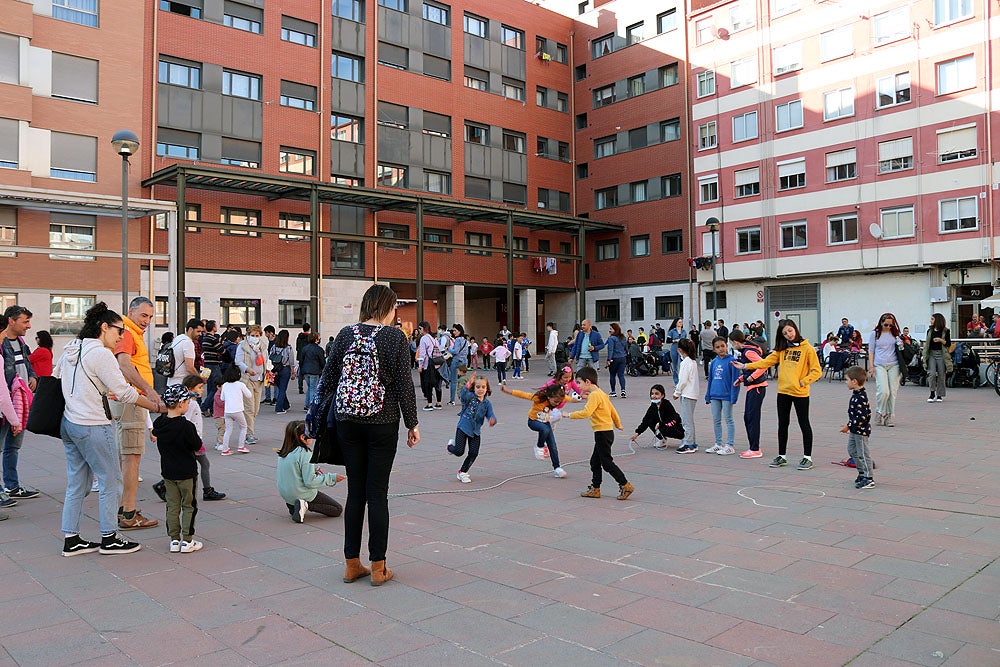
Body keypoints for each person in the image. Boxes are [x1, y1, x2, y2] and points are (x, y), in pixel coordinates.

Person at [317, 284, 419, 586]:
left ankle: (351, 564)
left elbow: (328, 378)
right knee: (377, 494)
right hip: (382, 421)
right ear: (387, 307)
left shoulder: (347, 333)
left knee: (355, 494)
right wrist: (412, 424)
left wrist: (318, 418)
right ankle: (378, 567)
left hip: (347, 420)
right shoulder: (395, 337)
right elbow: (403, 384)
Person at [57, 302, 164, 557]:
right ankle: (110, 537)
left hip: (70, 422)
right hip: (93, 424)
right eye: (118, 331)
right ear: (103, 327)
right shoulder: (100, 353)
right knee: (111, 481)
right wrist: (155, 406)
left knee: (76, 483)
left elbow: (57, 375)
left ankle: (71, 539)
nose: (120, 338)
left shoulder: (72, 347)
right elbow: (125, 391)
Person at [734, 319, 822, 470]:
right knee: (783, 424)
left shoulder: (807, 348)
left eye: (790, 330)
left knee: (804, 423)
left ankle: (807, 457)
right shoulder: (782, 349)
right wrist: (745, 366)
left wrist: (804, 381)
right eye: (785, 333)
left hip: (800, 393)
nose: (788, 334)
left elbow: (817, 371)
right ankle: (782, 456)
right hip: (783, 392)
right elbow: (765, 362)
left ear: (795, 328)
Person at [111, 297, 160, 530]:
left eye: (150, 317)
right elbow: (124, 365)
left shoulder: (130, 332)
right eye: (143, 315)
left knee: (129, 457)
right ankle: (128, 514)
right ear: (131, 311)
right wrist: (149, 391)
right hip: (131, 401)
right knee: (131, 458)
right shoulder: (127, 333)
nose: (147, 321)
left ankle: (124, 507)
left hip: (130, 401)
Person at [152, 384, 203, 554]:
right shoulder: (186, 426)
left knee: (172, 506)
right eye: (188, 401)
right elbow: (197, 444)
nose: (188, 405)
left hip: (168, 471)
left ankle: (174, 540)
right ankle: (187, 540)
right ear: (181, 403)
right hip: (187, 472)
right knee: (189, 505)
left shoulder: (159, 423)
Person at [572, 367, 632, 500]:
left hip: (602, 433)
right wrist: (617, 424)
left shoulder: (594, 395)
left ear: (587, 382)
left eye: (579, 382)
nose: (578, 386)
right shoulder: (601, 393)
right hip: (606, 432)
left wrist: (568, 415)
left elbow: (586, 413)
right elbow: (612, 410)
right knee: (595, 461)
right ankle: (595, 488)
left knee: (606, 463)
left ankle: (625, 484)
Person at [0, 305, 38, 500]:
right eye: (25, 321)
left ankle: (12, 486)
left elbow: (27, 363)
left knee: (13, 446)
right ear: (11, 321)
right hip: (6, 402)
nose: (28, 326)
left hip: (20, 401)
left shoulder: (21, 342)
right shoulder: (1, 342)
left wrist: (32, 376)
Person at [276, 420, 344, 523]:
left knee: (299, 497)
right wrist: (332, 478)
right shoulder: (305, 453)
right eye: (311, 434)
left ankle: (294, 506)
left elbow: (294, 470)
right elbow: (310, 482)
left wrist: (313, 470)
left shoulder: (284, 451)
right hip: (300, 492)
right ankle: (305, 505)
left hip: (286, 494)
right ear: (303, 437)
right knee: (337, 509)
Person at [501, 382, 567, 478]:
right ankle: (539, 446)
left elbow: (568, 398)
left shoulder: (557, 399)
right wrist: (507, 391)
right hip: (533, 421)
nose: (557, 404)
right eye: (555, 401)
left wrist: (580, 396)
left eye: (559, 402)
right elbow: (523, 394)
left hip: (545, 422)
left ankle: (557, 468)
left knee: (552, 446)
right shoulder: (539, 398)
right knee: (545, 429)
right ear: (549, 396)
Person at [446, 373, 497, 483]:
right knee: (459, 452)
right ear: (473, 388)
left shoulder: (487, 404)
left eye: (483, 387)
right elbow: (463, 396)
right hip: (463, 428)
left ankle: (463, 472)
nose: (480, 389)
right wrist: (467, 385)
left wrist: (492, 420)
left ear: (487, 388)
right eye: (477, 387)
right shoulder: (470, 398)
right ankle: (450, 447)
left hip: (475, 431)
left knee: (474, 453)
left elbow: (490, 414)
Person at [729, 330, 768, 459]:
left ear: (735, 342)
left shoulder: (748, 351)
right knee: (749, 417)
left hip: (757, 387)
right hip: (754, 387)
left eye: (731, 343)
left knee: (752, 418)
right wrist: (741, 379)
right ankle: (753, 447)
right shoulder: (747, 350)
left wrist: (751, 377)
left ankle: (755, 448)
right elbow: (751, 366)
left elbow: (762, 366)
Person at [704, 337, 740, 456]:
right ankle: (718, 443)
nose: (721, 349)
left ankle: (729, 445)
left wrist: (733, 396)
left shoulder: (732, 361)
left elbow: (735, 381)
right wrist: (708, 395)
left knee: (728, 419)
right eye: (718, 347)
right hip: (715, 395)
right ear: (714, 349)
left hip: (726, 396)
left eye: (722, 346)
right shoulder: (714, 362)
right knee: (716, 420)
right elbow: (710, 380)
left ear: (727, 346)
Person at [840, 366, 875, 489]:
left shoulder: (860, 397)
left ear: (854, 381)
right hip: (855, 429)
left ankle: (868, 477)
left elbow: (863, 417)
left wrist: (848, 426)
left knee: (863, 453)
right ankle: (862, 472)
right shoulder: (856, 394)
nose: (846, 382)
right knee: (852, 450)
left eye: (847, 380)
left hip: (860, 431)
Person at [868, 312, 902, 427]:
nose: (888, 327)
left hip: (894, 364)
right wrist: (871, 366)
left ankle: (889, 415)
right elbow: (871, 351)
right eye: (886, 325)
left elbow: (900, 347)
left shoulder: (895, 334)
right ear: (881, 323)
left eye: (891, 325)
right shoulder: (875, 334)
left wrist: (901, 343)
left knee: (892, 392)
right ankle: (879, 412)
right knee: (883, 391)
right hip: (879, 365)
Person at [236, 324, 266, 444]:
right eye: (252, 335)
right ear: (248, 335)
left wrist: (268, 370)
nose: (255, 337)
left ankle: (246, 430)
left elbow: (266, 361)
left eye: (257, 335)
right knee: (249, 408)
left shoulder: (263, 347)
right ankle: (249, 434)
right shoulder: (242, 346)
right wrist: (247, 369)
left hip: (259, 380)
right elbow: (238, 361)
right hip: (247, 380)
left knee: (256, 409)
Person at [631, 384, 683, 449]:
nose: (654, 396)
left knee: (666, 428)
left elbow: (673, 418)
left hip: (675, 426)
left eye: (657, 394)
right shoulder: (653, 406)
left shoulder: (667, 404)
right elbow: (646, 420)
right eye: (652, 394)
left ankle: (684, 438)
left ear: (662, 395)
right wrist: (637, 433)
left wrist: (661, 424)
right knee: (650, 421)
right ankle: (662, 439)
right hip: (662, 426)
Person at [673, 338, 700, 453]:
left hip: (687, 394)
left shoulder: (685, 362)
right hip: (693, 394)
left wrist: (677, 392)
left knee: (686, 420)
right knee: (689, 419)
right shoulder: (692, 361)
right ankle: (692, 442)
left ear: (680, 350)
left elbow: (683, 380)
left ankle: (689, 443)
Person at [220, 364, 252, 455]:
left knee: (228, 430)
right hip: (238, 410)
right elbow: (249, 395)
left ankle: (225, 449)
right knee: (243, 427)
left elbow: (222, 398)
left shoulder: (225, 385)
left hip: (227, 411)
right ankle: (241, 446)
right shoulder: (240, 385)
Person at [922, 313, 951, 403]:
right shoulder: (929, 331)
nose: (931, 321)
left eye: (932, 319)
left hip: (941, 354)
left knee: (941, 374)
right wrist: (924, 355)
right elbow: (927, 344)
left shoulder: (945, 331)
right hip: (931, 354)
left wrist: (941, 340)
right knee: (932, 374)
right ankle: (932, 393)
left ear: (937, 320)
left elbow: (948, 344)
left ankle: (939, 395)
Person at [416, 321, 443, 411]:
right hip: (437, 364)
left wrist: (420, 366)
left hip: (428, 365)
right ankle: (439, 403)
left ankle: (429, 404)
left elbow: (422, 354)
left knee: (428, 384)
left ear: (423, 329)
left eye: (420, 328)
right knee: (437, 384)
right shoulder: (434, 338)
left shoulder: (424, 338)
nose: (419, 330)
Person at [199, 320, 224, 415]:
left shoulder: (205, 338)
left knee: (210, 387)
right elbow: (221, 350)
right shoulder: (213, 339)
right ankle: (204, 406)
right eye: (216, 325)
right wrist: (221, 343)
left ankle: (211, 408)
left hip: (207, 365)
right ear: (213, 328)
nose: (217, 327)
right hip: (214, 365)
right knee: (217, 387)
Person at [168, 319, 203, 387]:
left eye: (201, 332)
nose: (200, 334)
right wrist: (200, 379)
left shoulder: (178, 338)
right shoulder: (188, 343)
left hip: (171, 380)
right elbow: (190, 367)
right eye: (198, 331)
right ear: (190, 329)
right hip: (182, 382)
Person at [269, 330, 295, 414]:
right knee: (282, 389)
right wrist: (293, 372)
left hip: (275, 369)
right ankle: (279, 408)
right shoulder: (288, 348)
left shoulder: (274, 347)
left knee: (280, 388)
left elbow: (270, 357)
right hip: (285, 369)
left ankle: (286, 405)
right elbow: (291, 361)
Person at [299, 333, 326, 409]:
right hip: (314, 370)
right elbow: (322, 362)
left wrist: (301, 369)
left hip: (305, 370)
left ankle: (307, 404)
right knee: (313, 388)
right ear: (316, 340)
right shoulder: (319, 350)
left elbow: (301, 360)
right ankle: (311, 405)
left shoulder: (305, 348)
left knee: (309, 387)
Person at [445, 324, 470, 405]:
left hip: (456, 361)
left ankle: (452, 400)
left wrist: (448, 348)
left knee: (454, 381)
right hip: (464, 361)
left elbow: (455, 351)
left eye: (455, 330)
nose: (454, 332)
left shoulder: (458, 340)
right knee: (463, 381)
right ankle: (466, 398)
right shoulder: (466, 341)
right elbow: (467, 352)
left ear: (460, 331)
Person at [605, 323, 628, 398]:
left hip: (614, 358)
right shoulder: (623, 337)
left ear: (615, 330)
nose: (610, 330)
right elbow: (626, 347)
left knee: (612, 374)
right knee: (621, 375)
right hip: (623, 357)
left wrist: (609, 359)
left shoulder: (611, 339)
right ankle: (623, 390)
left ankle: (613, 391)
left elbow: (610, 350)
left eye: (611, 329)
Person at [666, 318, 685, 385]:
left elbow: (685, 340)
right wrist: (675, 340)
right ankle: (676, 381)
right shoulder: (672, 331)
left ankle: (682, 381)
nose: (681, 323)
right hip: (674, 348)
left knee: (682, 365)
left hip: (682, 349)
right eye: (679, 322)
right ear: (676, 323)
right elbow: (668, 340)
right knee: (675, 366)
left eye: (681, 322)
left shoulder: (684, 331)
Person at [295, 323, 311, 395]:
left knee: (300, 373)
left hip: (300, 356)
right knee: (309, 372)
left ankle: (300, 387)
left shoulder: (299, 337)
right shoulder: (310, 337)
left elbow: (297, 348)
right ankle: (309, 386)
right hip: (308, 356)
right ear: (309, 329)